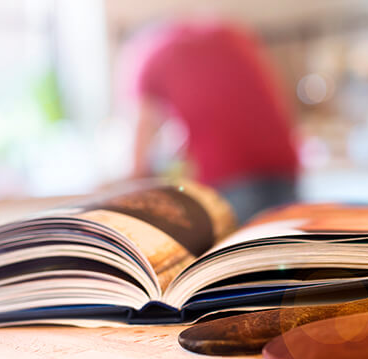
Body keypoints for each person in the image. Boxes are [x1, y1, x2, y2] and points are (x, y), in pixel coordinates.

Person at [121, 18, 300, 223]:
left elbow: (138, 163)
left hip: (231, 183)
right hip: (285, 171)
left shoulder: (144, 56)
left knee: (231, 254)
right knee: (283, 247)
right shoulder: (224, 33)